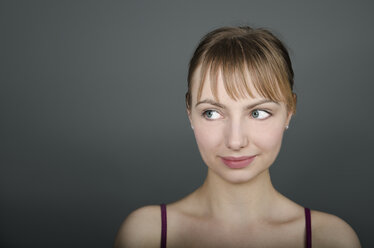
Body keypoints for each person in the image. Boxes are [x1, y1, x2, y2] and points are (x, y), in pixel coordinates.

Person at [114, 26, 361, 248]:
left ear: (289, 111)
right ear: (189, 112)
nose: (235, 141)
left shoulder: (330, 239)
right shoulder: (147, 235)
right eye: (211, 113)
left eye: (258, 113)